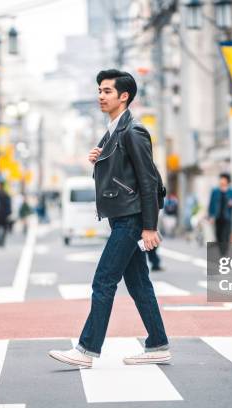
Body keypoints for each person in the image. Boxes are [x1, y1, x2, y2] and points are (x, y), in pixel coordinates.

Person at [48, 69, 169, 368]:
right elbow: (123, 171)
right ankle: (158, 344)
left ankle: (87, 350)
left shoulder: (133, 130)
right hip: (122, 218)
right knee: (139, 284)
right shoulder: (115, 131)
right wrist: (99, 157)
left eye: (107, 91)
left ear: (123, 96)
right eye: (99, 91)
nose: (100, 96)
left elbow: (148, 180)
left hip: (130, 219)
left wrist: (150, 227)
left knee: (103, 281)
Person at [208, 173, 232, 256]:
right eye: (221, 179)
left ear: (227, 181)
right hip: (217, 217)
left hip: (227, 218)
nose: (221, 180)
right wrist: (211, 216)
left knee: (225, 236)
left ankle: (224, 253)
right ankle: (222, 252)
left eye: (223, 179)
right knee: (218, 235)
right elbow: (211, 204)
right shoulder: (215, 191)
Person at [0, 182, 12, 247]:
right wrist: (9, 213)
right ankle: (2, 241)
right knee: (4, 228)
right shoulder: (6, 194)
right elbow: (9, 205)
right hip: (4, 214)